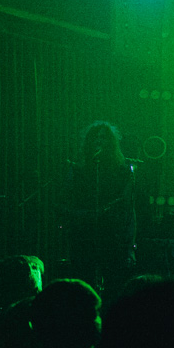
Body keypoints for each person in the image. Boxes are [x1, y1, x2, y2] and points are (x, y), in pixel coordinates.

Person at [65, 121, 136, 303]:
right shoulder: (79, 169)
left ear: (111, 142)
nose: (98, 141)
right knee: (83, 287)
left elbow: (127, 207)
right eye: (95, 137)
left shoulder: (122, 170)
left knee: (114, 287)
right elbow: (70, 202)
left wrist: (129, 245)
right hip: (84, 235)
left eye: (103, 138)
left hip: (113, 236)